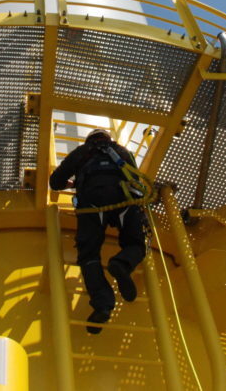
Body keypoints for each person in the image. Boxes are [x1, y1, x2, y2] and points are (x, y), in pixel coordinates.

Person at [49, 129, 147, 334]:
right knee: (135, 244)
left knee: (88, 256)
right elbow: (136, 179)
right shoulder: (123, 151)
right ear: (108, 139)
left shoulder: (81, 152)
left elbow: (55, 182)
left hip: (91, 205)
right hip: (125, 201)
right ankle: (121, 263)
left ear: (89, 139)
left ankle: (103, 303)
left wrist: (73, 183)